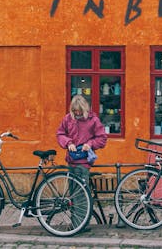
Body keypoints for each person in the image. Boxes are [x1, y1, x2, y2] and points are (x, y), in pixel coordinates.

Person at [56, 95, 107, 231]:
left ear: (84, 109)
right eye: (75, 111)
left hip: (83, 163)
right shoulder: (68, 119)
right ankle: (76, 224)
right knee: (73, 194)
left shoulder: (93, 120)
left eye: (79, 111)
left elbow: (102, 138)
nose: (77, 113)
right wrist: (68, 143)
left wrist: (90, 144)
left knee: (81, 195)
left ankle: (80, 225)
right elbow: (60, 134)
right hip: (71, 161)